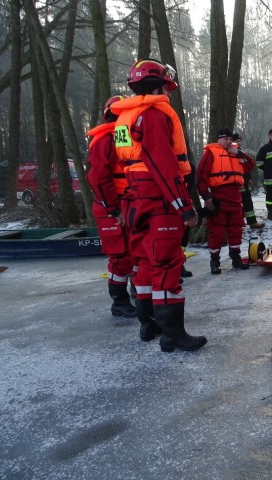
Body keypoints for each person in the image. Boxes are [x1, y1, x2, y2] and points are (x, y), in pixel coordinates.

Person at [111, 59, 206, 352]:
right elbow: (162, 165)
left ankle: (148, 324)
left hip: (136, 199)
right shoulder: (152, 115)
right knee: (166, 264)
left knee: (144, 264)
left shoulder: (126, 117)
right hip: (158, 199)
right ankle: (172, 334)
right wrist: (184, 206)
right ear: (160, 84)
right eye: (166, 84)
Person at [86, 95, 137, 319]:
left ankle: (138, 293)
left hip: (129, 202)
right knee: (121, 256)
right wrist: (114, 210)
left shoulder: (124, 138)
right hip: (113, 207)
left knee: (136, 252)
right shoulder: (105, 140)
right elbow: (98, 178)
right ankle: (119, 302)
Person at [197, 127, 256, 274]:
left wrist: (239, 153)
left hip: (235, 198)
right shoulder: (211, 153)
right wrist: (207, 197)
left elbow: (250, 165)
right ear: (218, 139)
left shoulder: (236, 154)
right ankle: (214, 261)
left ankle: (235, 258)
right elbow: (201, 176)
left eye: (230, 139)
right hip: (218, 199)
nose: (228, 141)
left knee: (236, 229)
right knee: (216, 230)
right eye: (225, 139)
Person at [233, 132, 264, 229]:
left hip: (245, 183)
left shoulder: (241, 153)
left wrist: (249, 178)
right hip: (237, 185)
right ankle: (238, 223)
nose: (239, 143)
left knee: (248, 204)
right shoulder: (231, 154)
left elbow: (246, 168)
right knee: (237, 205)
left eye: (240, 141)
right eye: (237, 141)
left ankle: (252, 222)